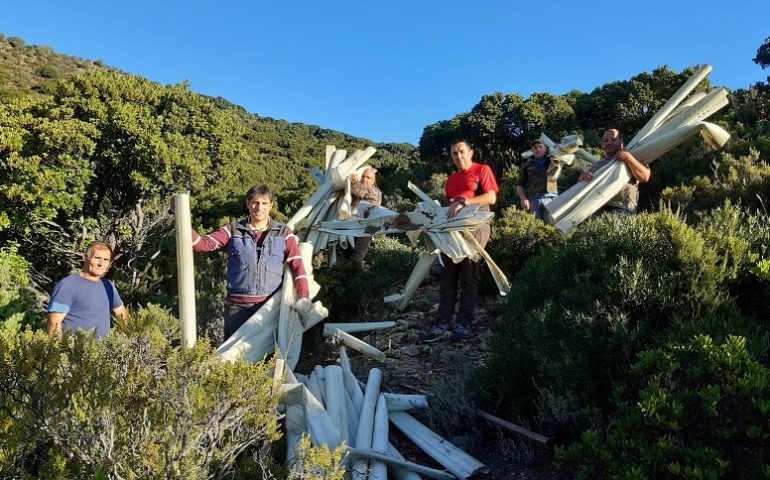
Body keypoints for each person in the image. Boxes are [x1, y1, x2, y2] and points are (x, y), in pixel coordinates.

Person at [192, 185, 311, 340]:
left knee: (268, 357)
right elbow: (202, 244)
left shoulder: (284, 233)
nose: (259, 207)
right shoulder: (233, 230)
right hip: (237, 308)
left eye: (264, 203)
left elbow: (297, 266)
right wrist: (181, 221)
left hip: (270, 307)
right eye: (254, 202)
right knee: (234, 358)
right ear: (248, 204)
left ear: (271, 206)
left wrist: (304, 298)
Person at [424, 139, 499, 342]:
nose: (458, 156)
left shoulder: (482, 170)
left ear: (471, 152)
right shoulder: (451, 179)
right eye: (454, 153)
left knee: (469, 273)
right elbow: (447, 208)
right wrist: (432, 226)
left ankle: (463, 324)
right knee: (448, 275)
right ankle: (442, 322)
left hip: (476, 224)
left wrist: (465, 201)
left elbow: (491, 198)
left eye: (461, 151)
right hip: (452, 229)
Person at [47, 241, 128, 338]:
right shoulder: (67, 285)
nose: (101, 264)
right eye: (97, 258)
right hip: (73, 351)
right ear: (85, 257)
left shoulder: (109, 286)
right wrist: (60, 351)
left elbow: (122, 315)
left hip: (103, 351)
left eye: (106, 259)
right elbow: (54, 323)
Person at [578, 129, 651, 213]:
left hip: (622, 209)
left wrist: (628, 158)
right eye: (606, 141)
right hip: (596, 209)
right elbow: (581, 185)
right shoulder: (598, 164)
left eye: (613, 139)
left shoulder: (633, 156)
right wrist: (582, 178)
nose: (609, 142)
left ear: (621, 141)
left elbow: (645, 177)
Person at [515, 140, 560, 221]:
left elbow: (569, 161)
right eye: (535, 148)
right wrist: (523, 198)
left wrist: (560, 148)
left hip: (552, 198)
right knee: (535, 227)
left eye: (540, 147)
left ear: (546, 149)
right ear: (532, 151)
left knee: (553, 226)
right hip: (533, 200)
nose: (538, 149)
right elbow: (519, 184)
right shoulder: (527, 165)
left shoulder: (553, 160)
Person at [346, 167, 383, 261]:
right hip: (349, 227)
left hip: (364, 231)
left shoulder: (375, 192)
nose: (364, 179)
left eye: (368, 177)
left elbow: (361, 192)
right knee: (345, 258)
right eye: (363, 176)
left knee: (356, 259)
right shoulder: (355, 191)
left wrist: (353, 181)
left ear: (373, 181)